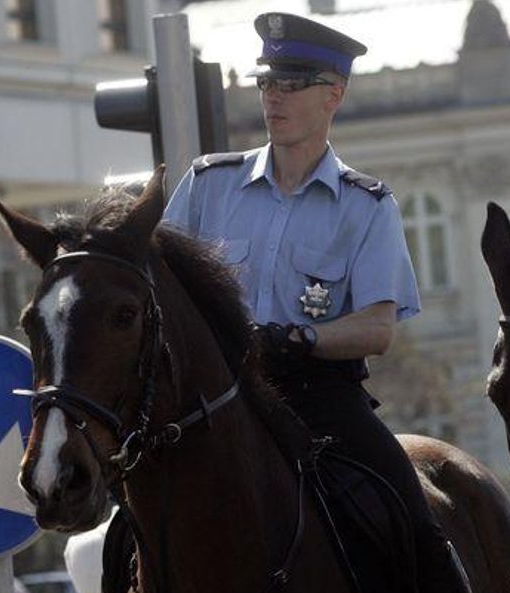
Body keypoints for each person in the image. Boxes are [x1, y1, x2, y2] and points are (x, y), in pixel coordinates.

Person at [163, 12, 471, 593]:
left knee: (410, 515)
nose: (273, 98)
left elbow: (379, 328)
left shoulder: (366, 205)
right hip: (212, 396)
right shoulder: (208, 185)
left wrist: (299, 338)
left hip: (318, 397)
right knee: (126, 524)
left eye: (291, 84)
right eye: (267, 84)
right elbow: (160, 290)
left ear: (333, 94)